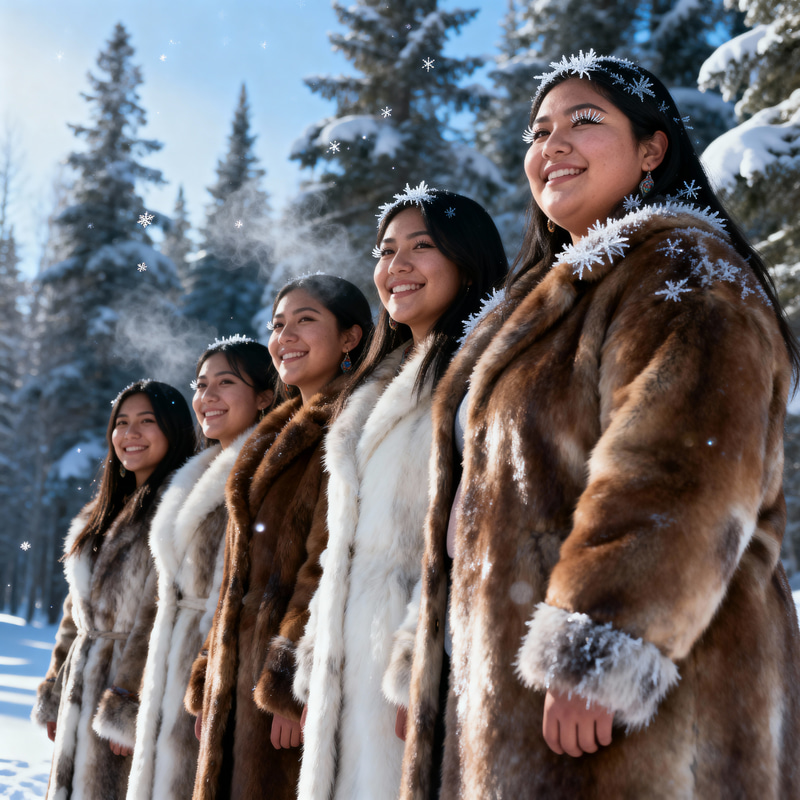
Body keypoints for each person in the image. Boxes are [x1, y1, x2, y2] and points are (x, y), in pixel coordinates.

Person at [399, 51, 800, 799]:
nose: (551, 143)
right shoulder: (543, 310)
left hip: (650, 711)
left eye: (585, 121)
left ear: (653, 149)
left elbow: (681, 473)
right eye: (538, 129)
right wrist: (431, 666)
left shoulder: (686, 271)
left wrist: (601, 643)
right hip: (522, 706)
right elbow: (477, 512)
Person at [294, 187, 508, 800]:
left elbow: (475, 535)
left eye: (423, 247)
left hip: (413, 666)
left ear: (467, 260)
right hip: (349, 667)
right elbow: (341, 553)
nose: (398, 267)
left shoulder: (483, 369)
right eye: (387, 251)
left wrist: (423, 671)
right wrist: (319, 672)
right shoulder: (374, 389)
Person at [186, 275, 373, 800]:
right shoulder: (274, 432)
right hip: (238, 674)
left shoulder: (350, 420)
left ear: (351, 338)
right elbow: (235, 577)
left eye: (305, 320)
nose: (285, 335)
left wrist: (292, 679)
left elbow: (328, 560)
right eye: (277, 324)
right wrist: (210, 674)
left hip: (282, 681)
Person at [125, 338, 275, 800]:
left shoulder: (264, 470)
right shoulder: (196, 473)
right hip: (165, 673)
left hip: (220, 671)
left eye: (225, 384)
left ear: (265, 397)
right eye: (201, 384)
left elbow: (270, 587)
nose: (206, 397)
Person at [32, 380, 195, 800]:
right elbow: (75, 615)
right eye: (121, 423)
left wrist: (129, 703)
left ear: (174, 430)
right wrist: (54, 687)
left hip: (124, 686)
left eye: (147, 422)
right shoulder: (101, 513)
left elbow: (160, 613)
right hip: (80, 686)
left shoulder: (177, 509)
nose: (130, 434)